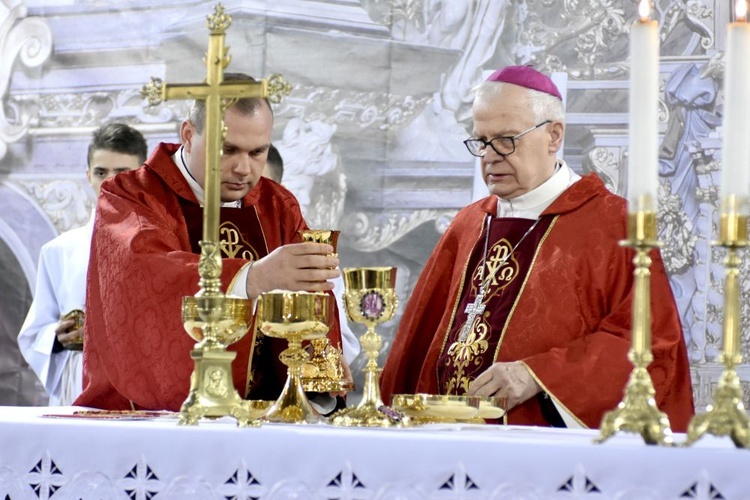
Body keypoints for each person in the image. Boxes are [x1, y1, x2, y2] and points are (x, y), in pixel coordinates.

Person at [380, 65, 695, 431]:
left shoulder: (614, 225)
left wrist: (539, 375)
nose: (489, 156)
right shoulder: (467, 225)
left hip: (543, 451)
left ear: (553, 136)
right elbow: (416, 345)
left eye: (506, 140)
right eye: (481, 141)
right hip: (445, 441)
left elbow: (649, 348)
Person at [75, 73, 346, 411]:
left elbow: (309, 298)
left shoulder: (277, 205)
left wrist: (315, 377)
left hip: (261, 420)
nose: (243, 168)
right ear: (188, 135)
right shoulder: (130, 196)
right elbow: (145, 276)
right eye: (227, 149)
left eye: (257, 152)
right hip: (153, 418)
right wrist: (254, 277)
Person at [17, 123, 148, 405]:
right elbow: (34, 333)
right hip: (78, 383)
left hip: (139, 383)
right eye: (101, 172)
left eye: (122, 173)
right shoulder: (58, 250)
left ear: (141, 176)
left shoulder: (162, 247)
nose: (110, 182)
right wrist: (57, 337)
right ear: (88, 176)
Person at [262, 144, 361, 365]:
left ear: (281, 192)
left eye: (260, 190)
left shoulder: (313, 257)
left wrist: (313, 352)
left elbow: (344, 347)